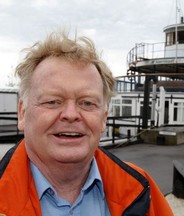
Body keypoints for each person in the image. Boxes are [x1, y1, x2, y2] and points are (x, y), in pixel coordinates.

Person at [0, 31, 173, 216]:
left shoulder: (141, 190)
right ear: (22, 113)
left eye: (87, 103)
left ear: (104, 118)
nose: (71, 115)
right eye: (52, 101)